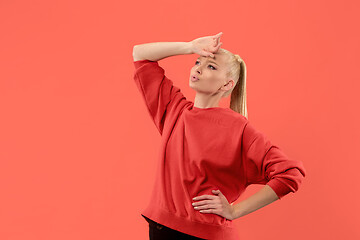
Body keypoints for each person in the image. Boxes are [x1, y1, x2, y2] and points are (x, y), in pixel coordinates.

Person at [132, 32, 307, 240]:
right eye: (198, 61)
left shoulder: (238, 128)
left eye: (211, 66)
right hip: (161, 230)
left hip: (206, 236)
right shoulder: (174, 109)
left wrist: (234, 211)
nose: (198, 67)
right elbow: (140, 54)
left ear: (227, 85)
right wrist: (190, 46)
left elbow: (291, 174)